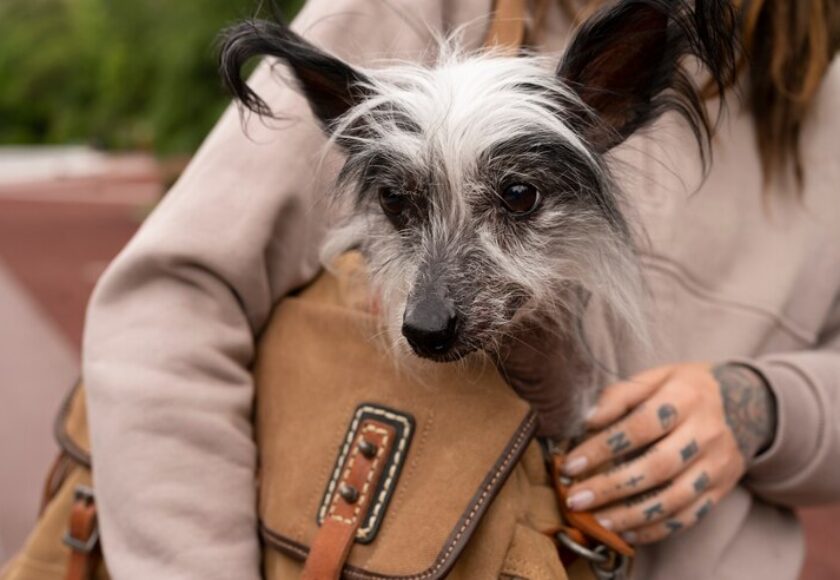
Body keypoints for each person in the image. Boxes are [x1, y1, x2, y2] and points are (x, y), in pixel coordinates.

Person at [81, 0, 840, 579]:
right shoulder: (415, 9)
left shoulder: (822, 97)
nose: (433, 300)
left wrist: (762, 409)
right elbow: (172, 301)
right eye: (401, 208)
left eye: (515, 199)